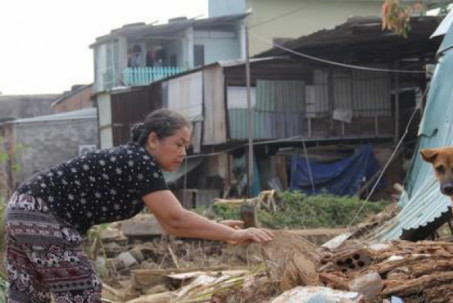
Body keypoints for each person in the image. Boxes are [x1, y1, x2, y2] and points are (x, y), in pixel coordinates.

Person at [4, 109, 273, 303]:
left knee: (29, 294)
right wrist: (235, 235)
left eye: (186, 146)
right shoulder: (140, 162)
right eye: (178, 144)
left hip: (22, 207)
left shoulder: (132, 162)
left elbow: (168, 219)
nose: (183, 153)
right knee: (81, 291)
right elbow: (175, 220)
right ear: (153, 140)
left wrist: (217, 228)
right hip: (43, 213)